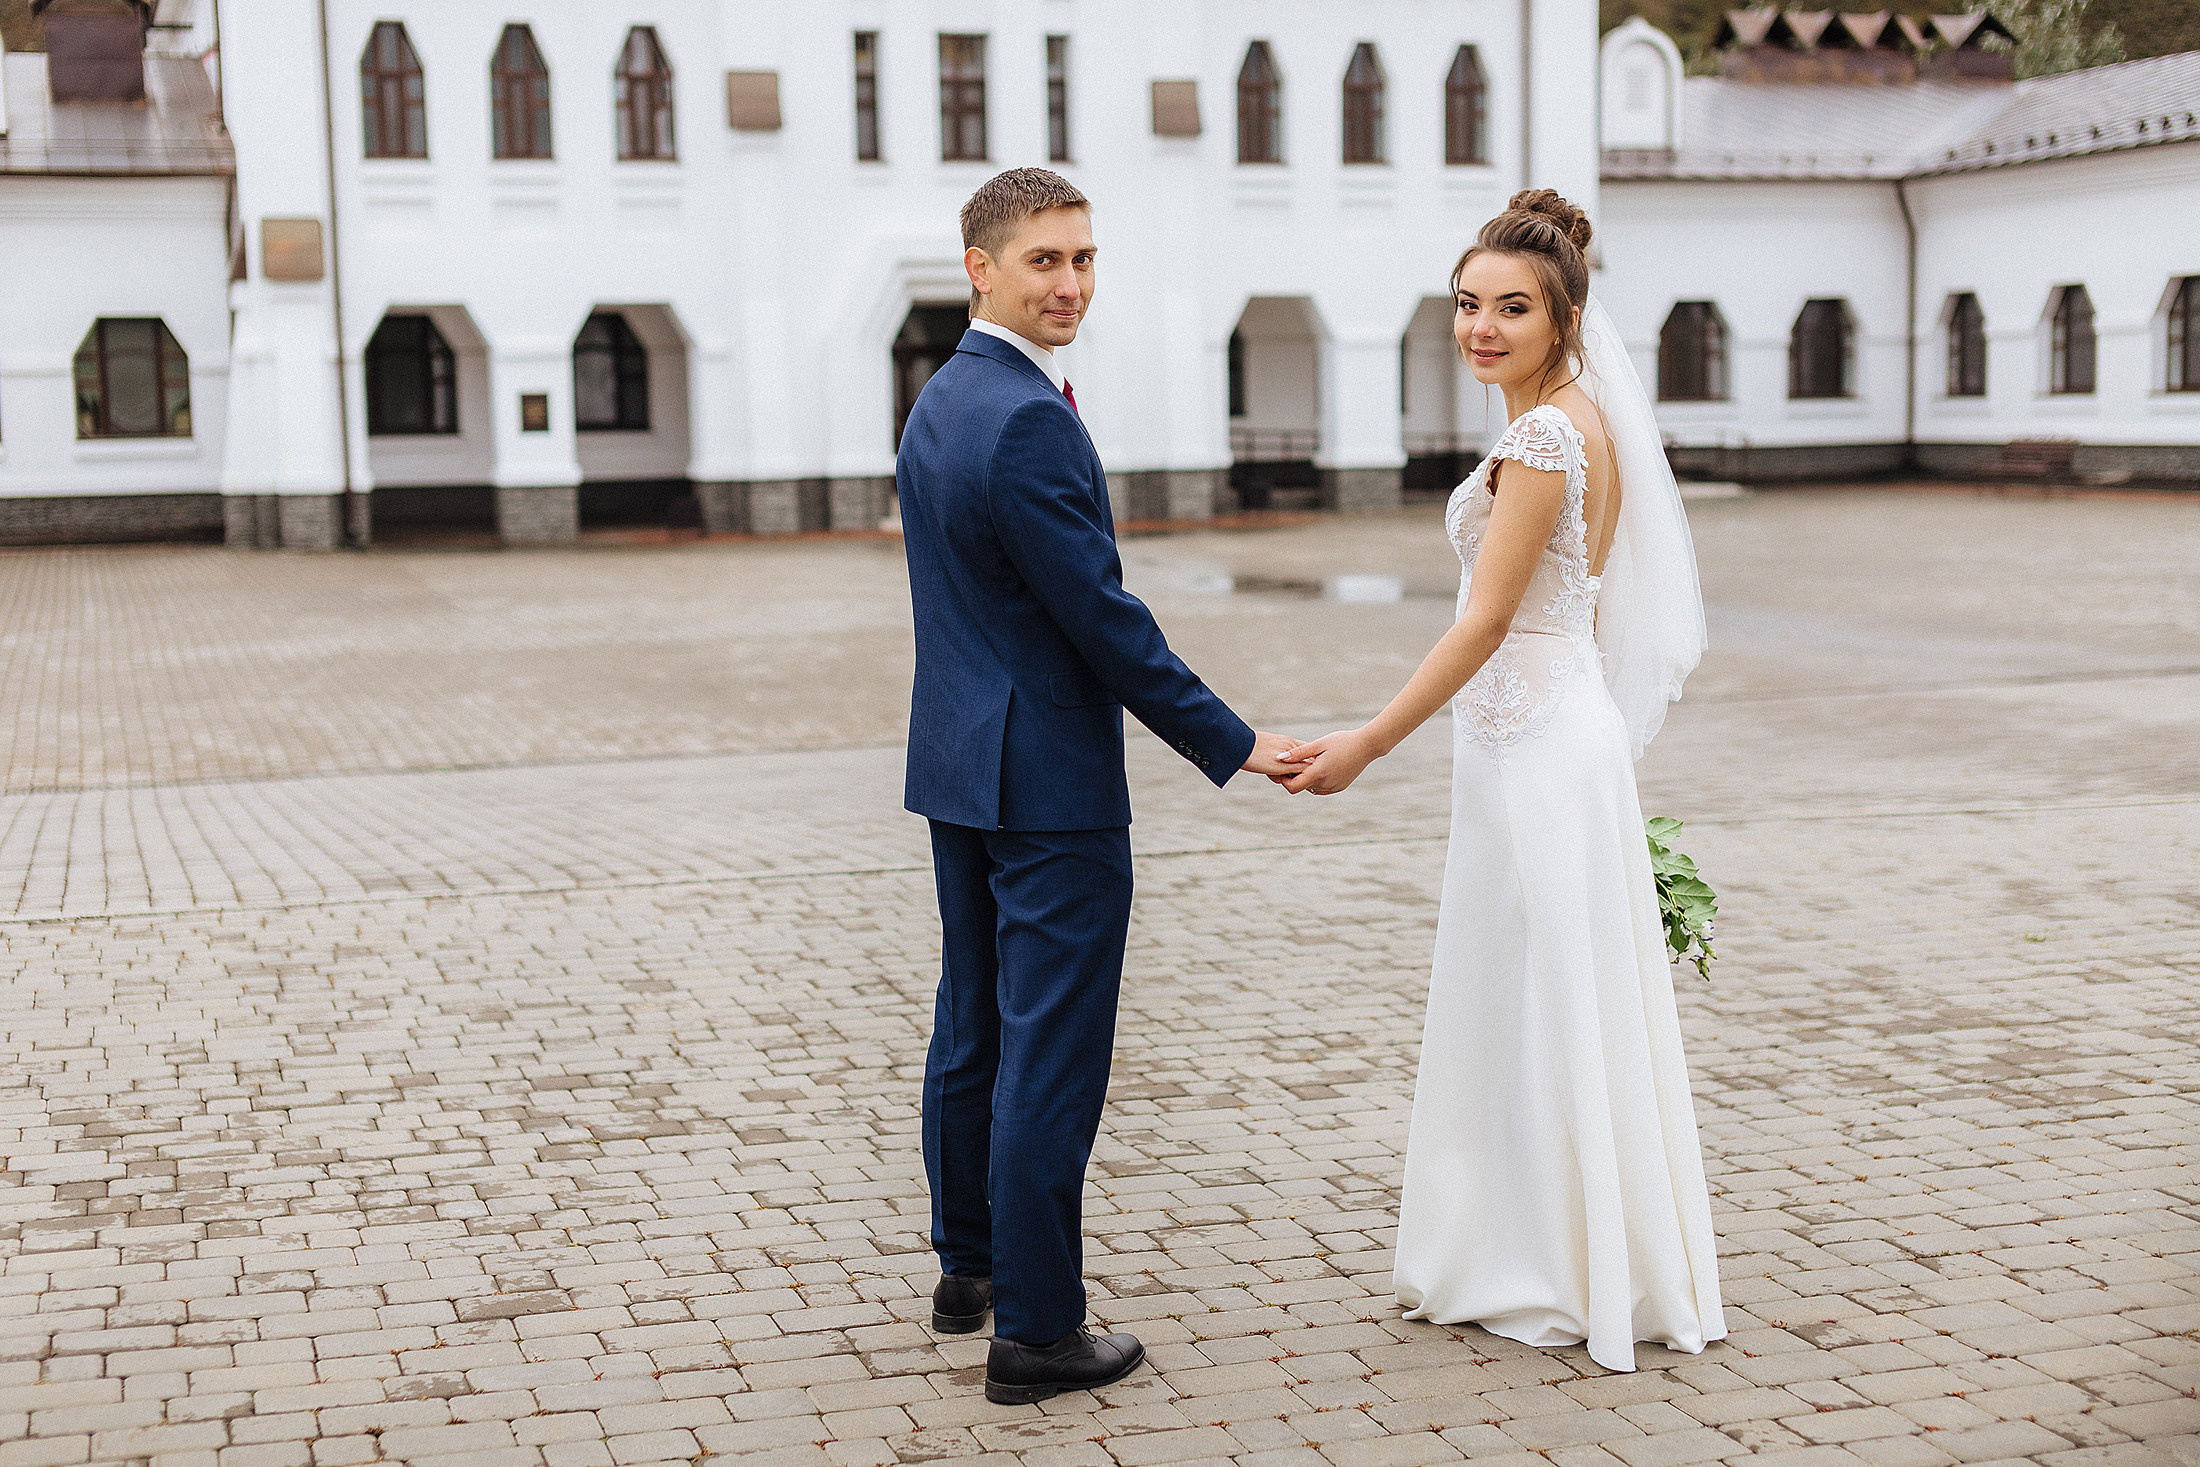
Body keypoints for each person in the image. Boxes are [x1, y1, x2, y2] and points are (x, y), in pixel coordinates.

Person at [1276, 190, 1725, 1373]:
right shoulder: (1579, 420)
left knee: (1534, 995)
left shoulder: (1541, 439)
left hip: (1532, 741)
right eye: (1468, 305)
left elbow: (1481, 626)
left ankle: (1549, 1263)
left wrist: (1366, 743)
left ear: (1565, 317)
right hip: (1544, 732)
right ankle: (1568, 1248)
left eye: (1511, 309)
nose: (1481, 328)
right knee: (1542, 992)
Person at [896, 168, 1302, 1404]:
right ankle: (1037, 1328)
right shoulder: (1023, 417)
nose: (1070, 284)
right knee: (1047, 1050)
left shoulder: (939, 400)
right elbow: (1102, 624)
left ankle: (969, 1267)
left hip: (961, 761)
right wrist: (1232, 742)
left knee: (973, 1023)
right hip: (1048, 781)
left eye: (1082, 259)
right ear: (980, 265)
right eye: (1043, 262)